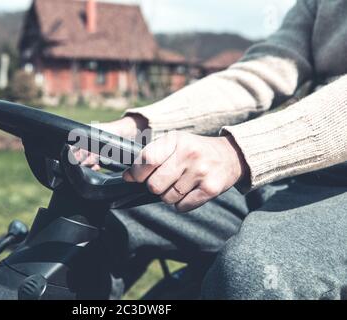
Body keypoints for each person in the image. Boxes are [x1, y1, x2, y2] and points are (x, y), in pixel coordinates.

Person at [81, 0, 347, 299]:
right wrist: (138, 124)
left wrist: (236, 152)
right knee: (112, 201)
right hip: (298, 171)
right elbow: (265, 71)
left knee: (257, 269)